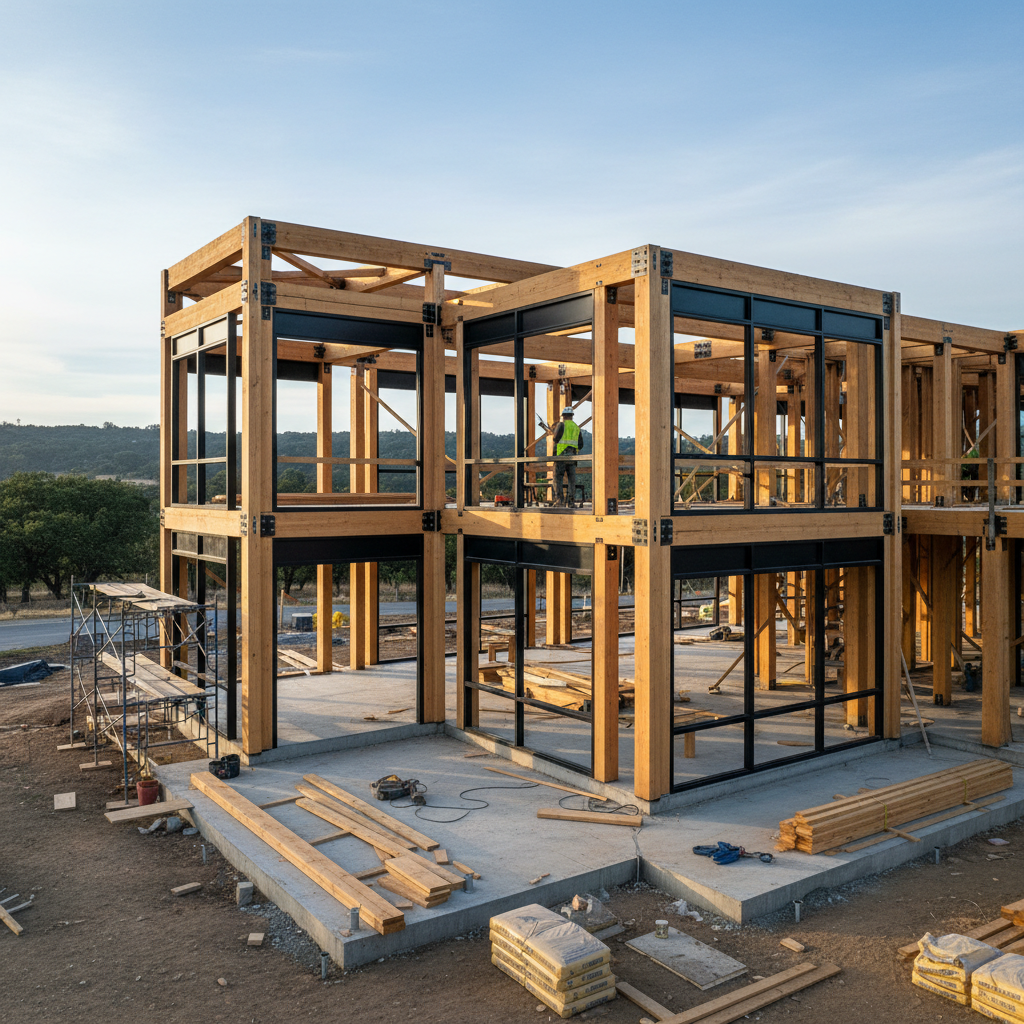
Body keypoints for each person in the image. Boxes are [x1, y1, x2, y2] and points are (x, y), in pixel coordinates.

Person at [551, 406, 581, 506]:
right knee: (571, 480)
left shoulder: (561, 425)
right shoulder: (576, 428)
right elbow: (580, 444)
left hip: (561, 456)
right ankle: (571, 502)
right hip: (572, 457)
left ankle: (559, 500)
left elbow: (555, 439)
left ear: (563, 416)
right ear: (572, 416)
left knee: (557, 478)